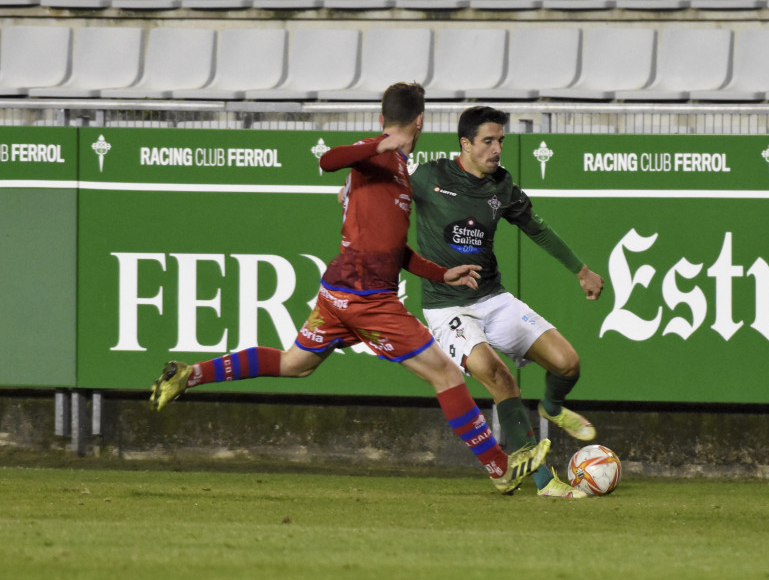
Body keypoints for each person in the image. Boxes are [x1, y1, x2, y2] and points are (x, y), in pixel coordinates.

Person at [149, 83, 549, 495]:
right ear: (421, 121)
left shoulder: (398, 172)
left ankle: (190, 374)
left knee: (294, 364)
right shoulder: (378, 158)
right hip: (368, 298)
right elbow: (328, 159)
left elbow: (394, 248)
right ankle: (501, 468)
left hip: (337, 293)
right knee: (446, 374)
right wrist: (378, 144)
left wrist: (437, 273)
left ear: (384, 116)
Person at [409, 106, 605, 499]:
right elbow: (387, 197)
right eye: (488, 141)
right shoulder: (429, 177)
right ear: (465, 144)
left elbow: (537, 228)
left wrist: (580, 270)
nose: (498, 148)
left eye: (500, 140)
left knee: (568, 364)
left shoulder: (502, 185)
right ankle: (544, 481)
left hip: (493, 298)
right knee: (500, 377)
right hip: (448, 307)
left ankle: (552, 405)